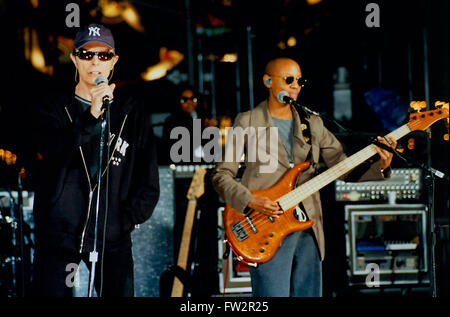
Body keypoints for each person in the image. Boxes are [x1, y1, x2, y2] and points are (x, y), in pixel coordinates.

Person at [211, 57, 396, 297]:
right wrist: (250, 201)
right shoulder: (246, 121)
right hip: (265, 226)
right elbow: (221, 175)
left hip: (309, 227)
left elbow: (342, 167)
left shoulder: (314, 124)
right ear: (267, 81)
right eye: (289, 79)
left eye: (299, 80)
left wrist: (380, 165)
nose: (296, 85)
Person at [31, 23, 160, 297]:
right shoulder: (53, 108)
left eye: (103, 55)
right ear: (75, 59)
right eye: (87, 54)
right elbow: (49, 157)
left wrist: (124, 221)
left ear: (114, 61)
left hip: (112, 239)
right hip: (61, 238)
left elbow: (148, 179)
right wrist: (90, 117)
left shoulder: (130, 113)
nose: (95, 62)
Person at [162, 85, 217, 164]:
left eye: (193, 99)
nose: (189, 103)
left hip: (203, 164)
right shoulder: (171, 121)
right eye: (185, 100)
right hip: (182, 163)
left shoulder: (204, 119)